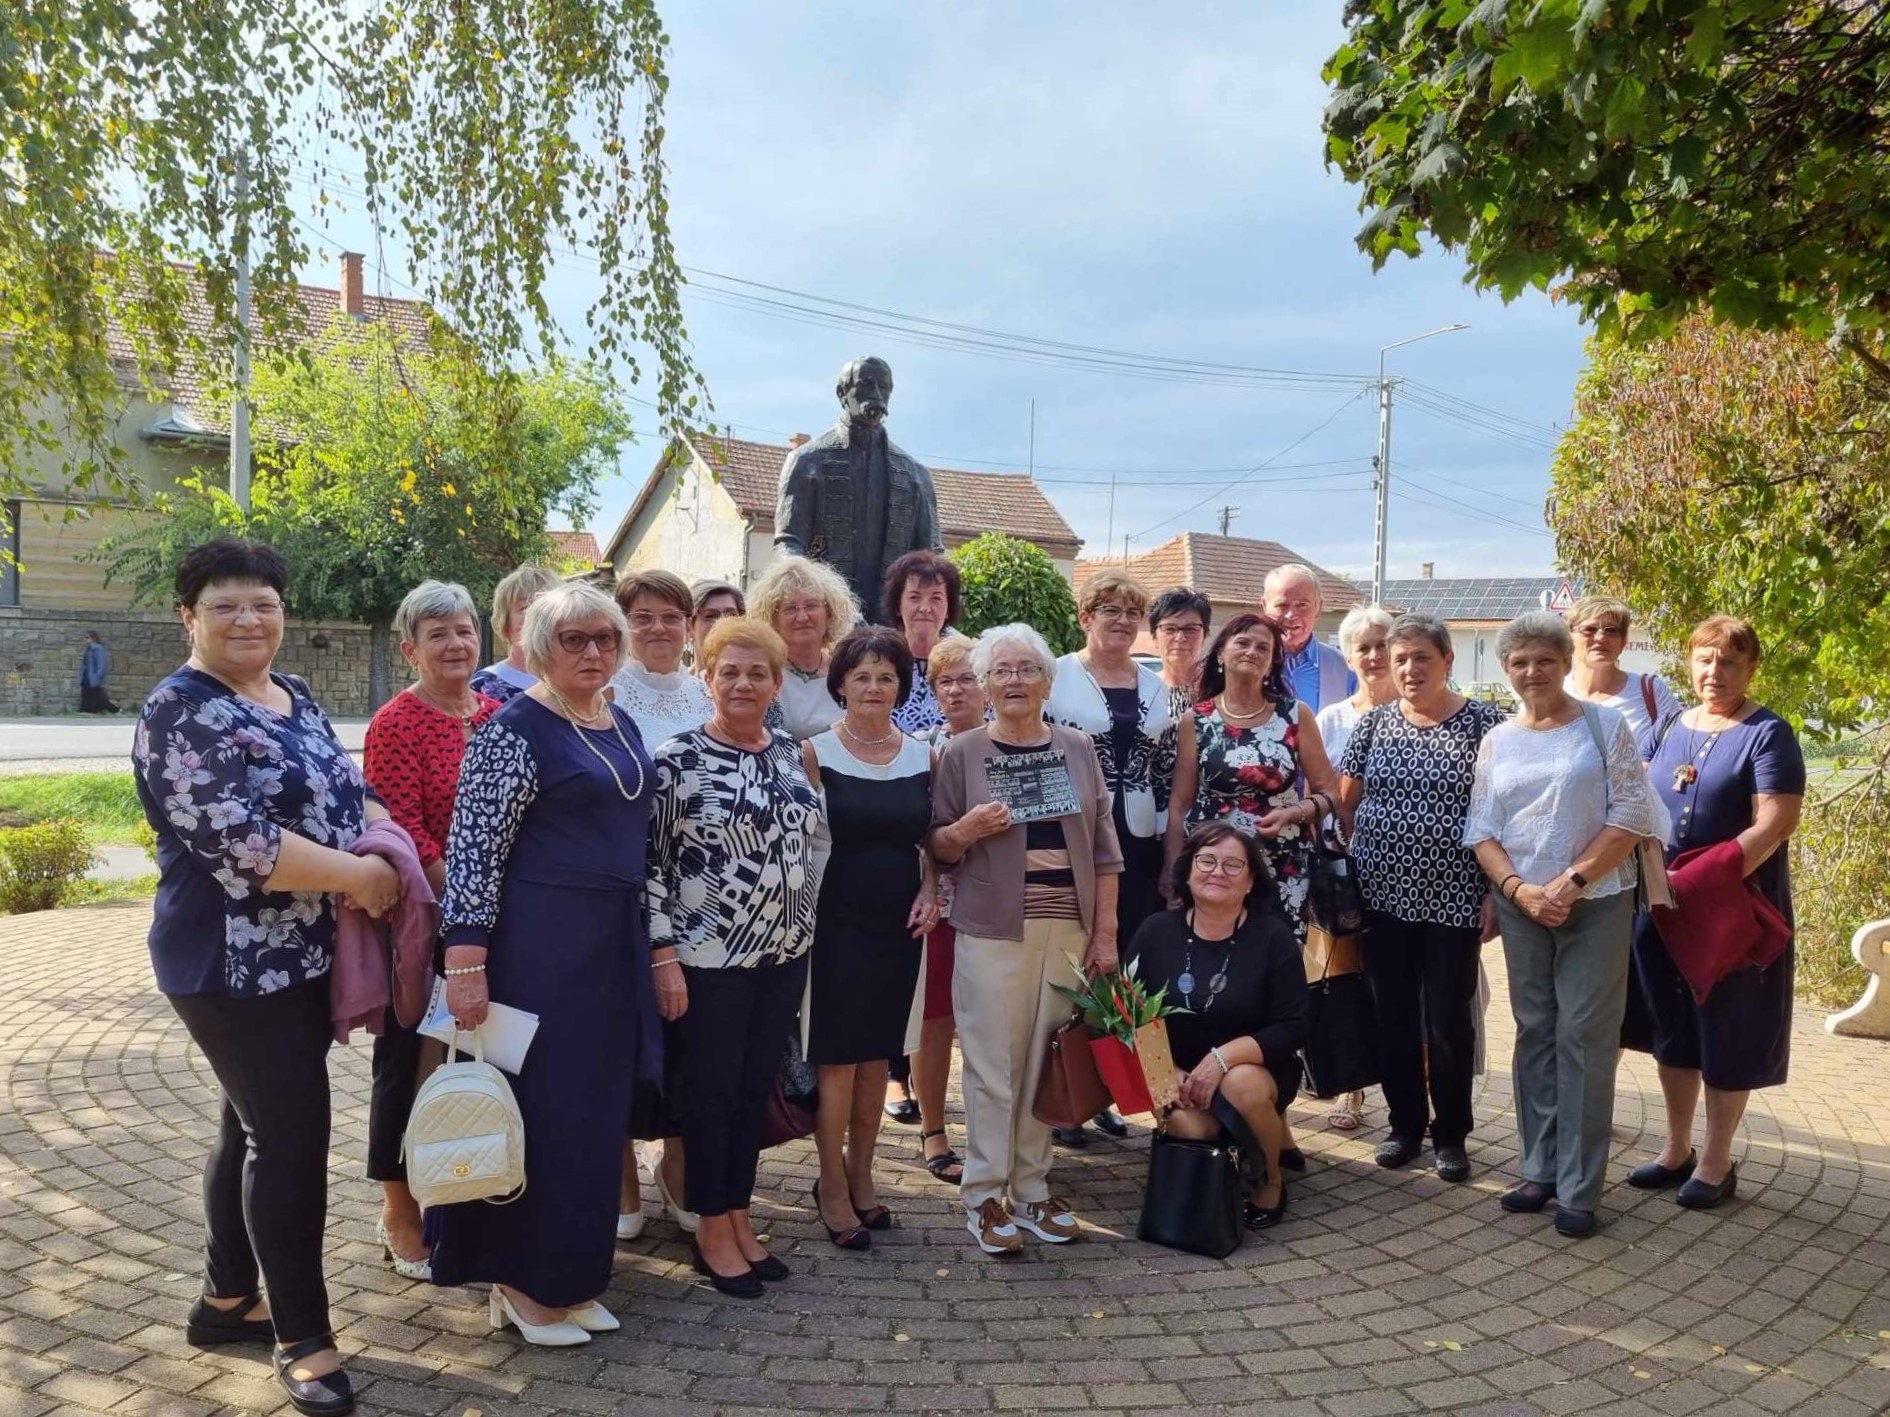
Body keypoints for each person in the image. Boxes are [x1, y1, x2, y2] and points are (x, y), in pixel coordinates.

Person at [134, 538, 399, 1417]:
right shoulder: (178, 710)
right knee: (288, 1139)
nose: (248, 619)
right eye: (225, 605)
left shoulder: (294, 693)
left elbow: (343, 787)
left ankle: (225, 1301)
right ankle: (303, 1337)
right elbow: (240, 843)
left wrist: (385, 836)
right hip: (226, 961)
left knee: (247, 1121)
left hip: (298, 955)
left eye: (264, 603)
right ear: (189, 616)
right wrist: (360, 876)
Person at [431, 582, 662, 1347]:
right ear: (538, 646)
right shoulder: (514, 729)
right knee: (540, 1114)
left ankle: (571, 1277)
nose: (593, 651)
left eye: (605, 637)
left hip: (610, 949)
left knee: (594, 1119)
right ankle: (521, 1283)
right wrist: (466, 961)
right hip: (539, 950)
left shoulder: (619, 718)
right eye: (574, 639)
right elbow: (473, 848)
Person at [1464, 612, 1669, 1236]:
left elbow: (1632, 812)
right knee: (1535, 1031)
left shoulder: (1603, 726)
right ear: (1507, 670)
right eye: (1520, 662)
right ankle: (1539, 1169)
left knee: (1583, 1034)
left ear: (1564, 662)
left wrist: (1569, 883)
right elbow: (1482, 828)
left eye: (1545, 660)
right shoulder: (1498, 739)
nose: (1533, 672)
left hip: (1597, 899)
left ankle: (1580, 1186)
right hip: (1524, 905)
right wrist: (1520, 890)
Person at [930, 624, 1122, 1256]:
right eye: (1001, 671)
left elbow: (1105, 850)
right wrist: (965, 830)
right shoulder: (962, 752)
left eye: (1027, 669)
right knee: (993, 1065)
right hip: (992, 929)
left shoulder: (1077, 747)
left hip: (1068, 928)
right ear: (985, 686)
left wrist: (1105, 933)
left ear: (1046, 680)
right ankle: (983, 1196)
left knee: (1046, 1060)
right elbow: (937, 846)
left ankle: (1033, 1190)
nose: (1014, 680)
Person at [646, 617, 823, 1297]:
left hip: (784, 954)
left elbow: (810, 845)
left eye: (757, 672)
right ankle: (711, 1228)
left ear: (777, 683)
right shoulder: (677, 758)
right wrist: (662, 955)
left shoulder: (792, 754)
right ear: (707, 677)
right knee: (710, 1096)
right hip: (708, 959)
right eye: (730, 671)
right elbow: (650, 864)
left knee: (753, 1093)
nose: (743, 683)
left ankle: (739, 1216)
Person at [1627, 615, 1805, 1209]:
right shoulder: (1669, 724)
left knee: (1728, 1030)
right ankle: (1675, 1149)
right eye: (1704, 659)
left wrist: (1705, 882)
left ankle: (1716, 1160)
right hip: (1661, 905)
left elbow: (1775, 822)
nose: (1714, 672)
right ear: (1690, 663)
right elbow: (1637, 798)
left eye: (1729, 661)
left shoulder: (1768, 734)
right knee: (1672, 1028)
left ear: (1750, 669)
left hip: (1731, 911)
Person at [360, 581, 501, 1283]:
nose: (455, 644)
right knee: (408, 1063)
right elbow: (401, 827)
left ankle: (467, 1196)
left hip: (498, 922)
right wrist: (470, 895)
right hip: (425, 925)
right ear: (409, 648)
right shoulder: (396, 723)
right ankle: (399, 1212)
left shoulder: (499, 714)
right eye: (437, 633)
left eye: (465, 630)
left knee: (480, 1062)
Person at [1337, 614, 1505, 1183]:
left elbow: (1500, 813)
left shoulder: (1485, 724)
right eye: (1400, 658)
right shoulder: (1375, 724)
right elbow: (1346, 802)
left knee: (1449, 1020)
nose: (1409, 669)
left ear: (1447, 661)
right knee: (1393, 1014)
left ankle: (1451, 1134)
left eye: (1422, 658)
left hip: (1456, 897)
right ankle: (1404, 1125)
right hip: (1381, 897)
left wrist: (1494, 891)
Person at [801, 626, 937, 1249]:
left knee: (879, 1057)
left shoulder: (923, 756)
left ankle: (862, 1175)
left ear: (901, 686)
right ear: (841, 685)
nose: (874, 687)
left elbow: (929, 840)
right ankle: (830, 1184)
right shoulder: (814, 752)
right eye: (862, 677)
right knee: (837, 1059)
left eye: (886, 677)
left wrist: (931, 889)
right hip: (835, 921)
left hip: (900, 925)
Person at [1046, 570, 1174, 1145]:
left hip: (1139, 843)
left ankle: (1110, 1095)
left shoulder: (1156, 685)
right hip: (1072, 837)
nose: (1122, 621)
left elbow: (1167, 774)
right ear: (1085, 618)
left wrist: (1171, 855)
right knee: (1072, 963)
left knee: (1125, 969)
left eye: (1131, 612)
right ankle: (1063, 1099)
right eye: (1110, 610)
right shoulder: (1055, 677)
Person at [605, 568, 711, 1240]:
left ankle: (676, 1167)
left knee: (687, 1038)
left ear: (690, 625)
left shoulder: (706, 692)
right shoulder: (605, 693)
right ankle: (619, 1179)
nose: (658, 628)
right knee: (619, 1036)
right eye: (642, 616)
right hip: (620, 886)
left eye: (671, 615)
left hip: (697, 896)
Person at [1133, 823, 1308, 1229]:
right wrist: (1167, 1071)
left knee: (1241, 1086)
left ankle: (1270, 1179)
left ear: (1250, 881)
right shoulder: (1155, 931)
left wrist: (1222, 1059)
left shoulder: (1273, 937)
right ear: (1187, 871)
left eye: (1233, 865)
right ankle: (1245, 1145)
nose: (1217, 872)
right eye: (1207, 861)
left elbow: (1294, 1026)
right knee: (1189, 1127)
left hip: (1256, 1069)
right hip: (1177, 1072)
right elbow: (1130, 1014)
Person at [1166, 611, 1340, 940]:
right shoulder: (1197, 720)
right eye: (1243, 643)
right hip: (1214, 869)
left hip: (1282, 864)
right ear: (1221, 653)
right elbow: (1178, 805)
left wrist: (1293, 813)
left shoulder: (1295, 715)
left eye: (1263, 648)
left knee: (1277, 957)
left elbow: (1330, 793)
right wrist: (1174, 870)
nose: (1252, 652)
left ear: (1272, 663)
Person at [1309, 602, 1397, 1132]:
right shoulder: (1332, 719)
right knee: (1344, 975)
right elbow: (1317, 791)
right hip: (1343, 871)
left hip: (1405, 872)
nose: (1375, 655)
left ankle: (1416, 1088)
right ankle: (1352, 1085)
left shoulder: (1417, 714)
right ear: (1347, 657)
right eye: (1363, 647)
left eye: (1383, 644)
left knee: (1402, 981)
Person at [774, 355, 944, 622]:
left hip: (894, 629)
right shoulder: (807, 462)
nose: (876, 394)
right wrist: (821, 600)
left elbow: (932, 559)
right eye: (866, 384)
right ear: (842, 393)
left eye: (883, 386)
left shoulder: (915, 475)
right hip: (826, 624)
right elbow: (789, 544)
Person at [910, 634, 982, 1185]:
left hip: (999, 903)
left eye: (966, 678)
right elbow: (916, 832)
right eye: (944, 682)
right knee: (934, 1019)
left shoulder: (1014, 743)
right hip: (940, 902)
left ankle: (993, 1131)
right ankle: (933, 1129)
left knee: (990, 1023)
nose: (955, 690)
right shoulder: (921, 750)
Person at [749, 554, 857, 741]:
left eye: (811, 605)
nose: (802, 617)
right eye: (790, 609)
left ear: (829, 612)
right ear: (773, 619)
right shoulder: (762, 673)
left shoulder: (848, 670)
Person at [1564, 594, 1680, 754]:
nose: (1601, 637)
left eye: (1611, 631)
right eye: (1589, 629)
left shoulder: (1651, 692)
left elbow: (1677, 752)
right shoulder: (1553, 692)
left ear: (1624, 641)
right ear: (1569, 639)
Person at [885, 548, 960, 736]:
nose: (925, 608)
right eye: (914, 597)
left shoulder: (966, 664)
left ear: (948, 609)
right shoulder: (880, 661)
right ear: (898, 606)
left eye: (936, 598)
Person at [1262, 563, 1354, 712]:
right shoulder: (1247, 664)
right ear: (1264, 605)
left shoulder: (1345, 669)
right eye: (1282, 605)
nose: (1291, 615)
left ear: (1318, 608)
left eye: (1302, 605)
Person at [471, 564, 562, 704]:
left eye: (545, 607)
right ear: (505, 620)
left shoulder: (579, 683)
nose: (535, 615)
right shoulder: (480, 686)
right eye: (525, 607)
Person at [1147, 586, 1212, 722]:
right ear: (1154, 637)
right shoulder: (1143, 689)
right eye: (1170, 629)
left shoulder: (1221, 689)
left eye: (1190, 629)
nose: (1180, 638)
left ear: (1204, 636)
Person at [688, 579, 746, 673]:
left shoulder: (754, 680)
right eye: (710, 616)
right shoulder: (675, 680)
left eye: (731, 615)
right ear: (689, 627)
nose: (722, 622)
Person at [79, 629, 117, 712]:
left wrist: (98, 676)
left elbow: (101, 663)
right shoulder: (88, 649)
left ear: (93, 638)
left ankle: (113, 709)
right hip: (87, 676)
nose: (85, 640)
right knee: (87, 693)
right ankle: (87, 710)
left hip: (93, 676)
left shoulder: (98, 649)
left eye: (87, 638)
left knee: (96, 695)